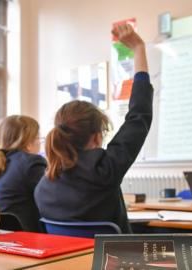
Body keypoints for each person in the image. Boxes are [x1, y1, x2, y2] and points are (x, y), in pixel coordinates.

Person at [34, 24, 153, 233]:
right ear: (97, 138)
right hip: (115, 263)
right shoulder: (105, 169)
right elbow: (139, 114)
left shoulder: (43, 186)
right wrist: (139, 49)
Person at [0, 115, 46, 232]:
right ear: (29, 143)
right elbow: (49, 201)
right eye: (38, 139)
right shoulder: (33, 162)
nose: (39, 143)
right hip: (27, 238)